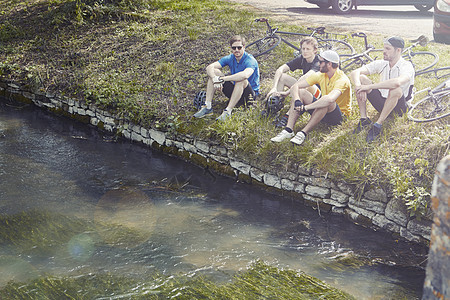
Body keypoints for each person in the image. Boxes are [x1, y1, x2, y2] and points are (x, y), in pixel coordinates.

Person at [270, 50, 352, 145]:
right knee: (302, 92)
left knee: (326, 101)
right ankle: (288, 130)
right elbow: (295, 86)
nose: (318, 64)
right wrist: (297, 100)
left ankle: (303, 133)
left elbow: (330, 99)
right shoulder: (321, 75)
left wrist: (305, 107)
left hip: (338, 117)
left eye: (320, 62)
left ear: (329, 64)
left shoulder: (342, 79)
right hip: (322, 111)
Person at [349, 36, 414, 142]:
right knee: (361, 79)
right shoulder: (382, 63)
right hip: (382, 103)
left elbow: (397, 82)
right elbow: (354, 72)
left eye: (388, 49)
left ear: (398, 50)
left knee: (396, 89)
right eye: (384, 48)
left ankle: (377, 125)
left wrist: (369, 87)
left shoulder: (407, 66)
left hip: (400, 107)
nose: (384, 51)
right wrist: (358, 86)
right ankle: (364, 119)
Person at [193, 35, 260, 121]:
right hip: (236, 92)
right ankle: (208, 107)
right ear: (231, 48)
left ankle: (228, 112)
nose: (236, 50)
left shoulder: (250, 60)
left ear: (244, 47)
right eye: (234, 48)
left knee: (241, 80)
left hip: (249, 96)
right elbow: (209, 67)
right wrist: (214, 78)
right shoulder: (231, 58)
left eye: (239, 48)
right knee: (215, 72)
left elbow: (244, 75)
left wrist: (222, 79)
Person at [264, 37, 321, 127]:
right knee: (282, 77)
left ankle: (287, 116)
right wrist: (274, 87)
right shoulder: (302, 58)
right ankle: (274, 106)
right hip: (304, 88)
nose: (305, 51)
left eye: (308, 49)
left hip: (317, 94)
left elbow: (307, 77)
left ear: (315, 50)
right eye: (303, 49)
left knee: (304, 84)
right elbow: (280, 69)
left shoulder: (318, 62)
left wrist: (288, 92)